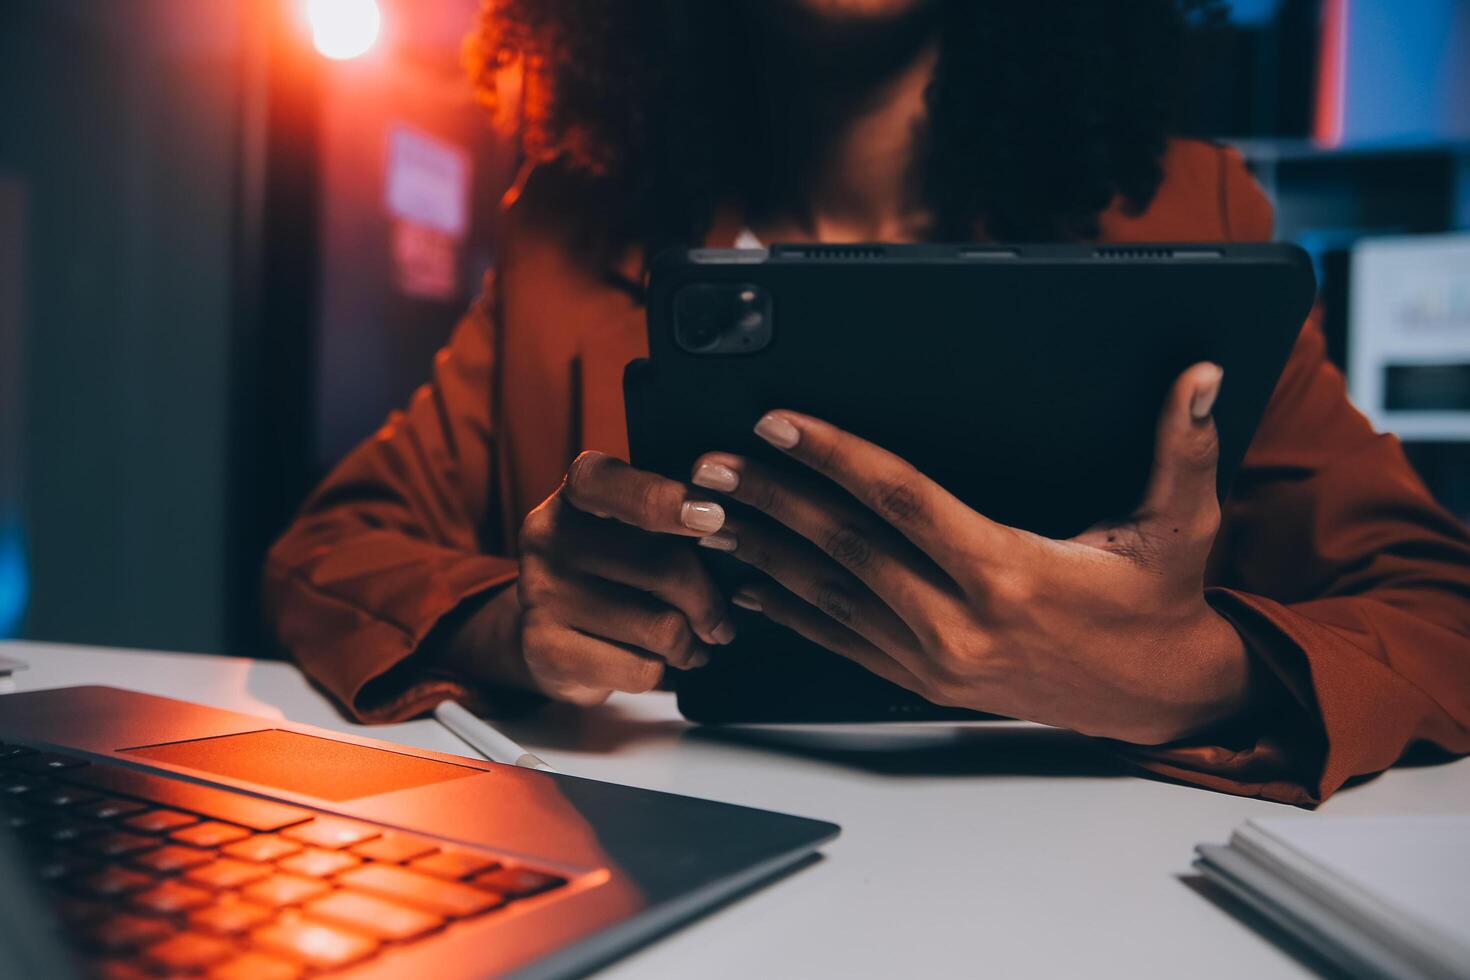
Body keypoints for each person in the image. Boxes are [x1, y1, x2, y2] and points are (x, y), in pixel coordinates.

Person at [265, 0, 1470, 805]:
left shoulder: (1187, 211)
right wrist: (512, 624)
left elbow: (1443, 617)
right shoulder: (566, 230)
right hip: (669, 881)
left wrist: (1190, 676)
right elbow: (328, 553)